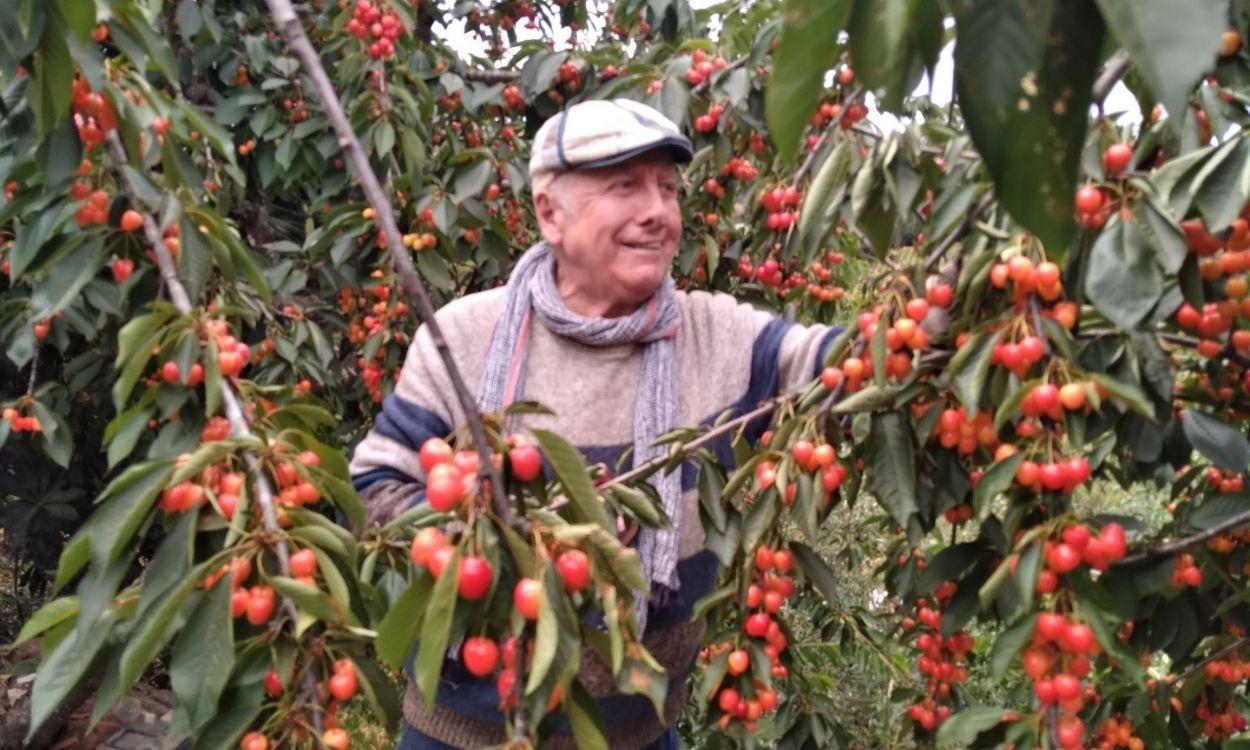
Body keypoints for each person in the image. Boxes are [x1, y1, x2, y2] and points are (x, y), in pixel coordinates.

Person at [349, 98, 840, 749]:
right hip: (461, 734)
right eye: (625, 187)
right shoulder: (465, 337)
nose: (659, 212)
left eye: (667, 189)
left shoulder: (714, 333)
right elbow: (379, 478)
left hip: (637, 734)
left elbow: (831, 366)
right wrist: (489, 536)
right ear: (551, 214)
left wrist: (922, 330)